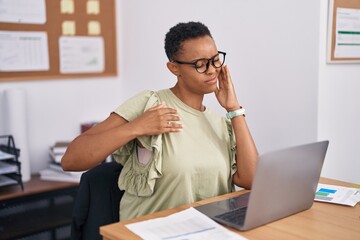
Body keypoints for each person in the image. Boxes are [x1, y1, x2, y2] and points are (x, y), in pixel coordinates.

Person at [62, 21, 258, 221]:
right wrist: (136, 128)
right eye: (200, 64)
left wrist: (234, 109)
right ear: (174, 68)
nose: (211, 70)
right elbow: (70, 159)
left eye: (215, 60)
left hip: (207, 230)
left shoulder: (220, 123)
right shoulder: (151, 104)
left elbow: (251, 179)